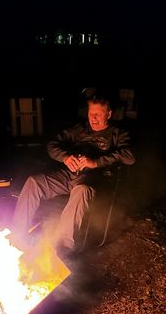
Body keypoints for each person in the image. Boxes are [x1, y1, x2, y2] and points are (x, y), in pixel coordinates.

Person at [12, 92, 135, 255]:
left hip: (93, 179)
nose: (94, 118)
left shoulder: (117, 133)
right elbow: (52, 145)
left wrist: (96, 162)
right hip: (68, 174)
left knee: (81, 190)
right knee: (34, 182)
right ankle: (16, 238)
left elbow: (129, 157)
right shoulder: (80, 129)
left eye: (98, 114)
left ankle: (63, 248)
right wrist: (65, 158)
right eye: (91, 114)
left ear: (109, 114)